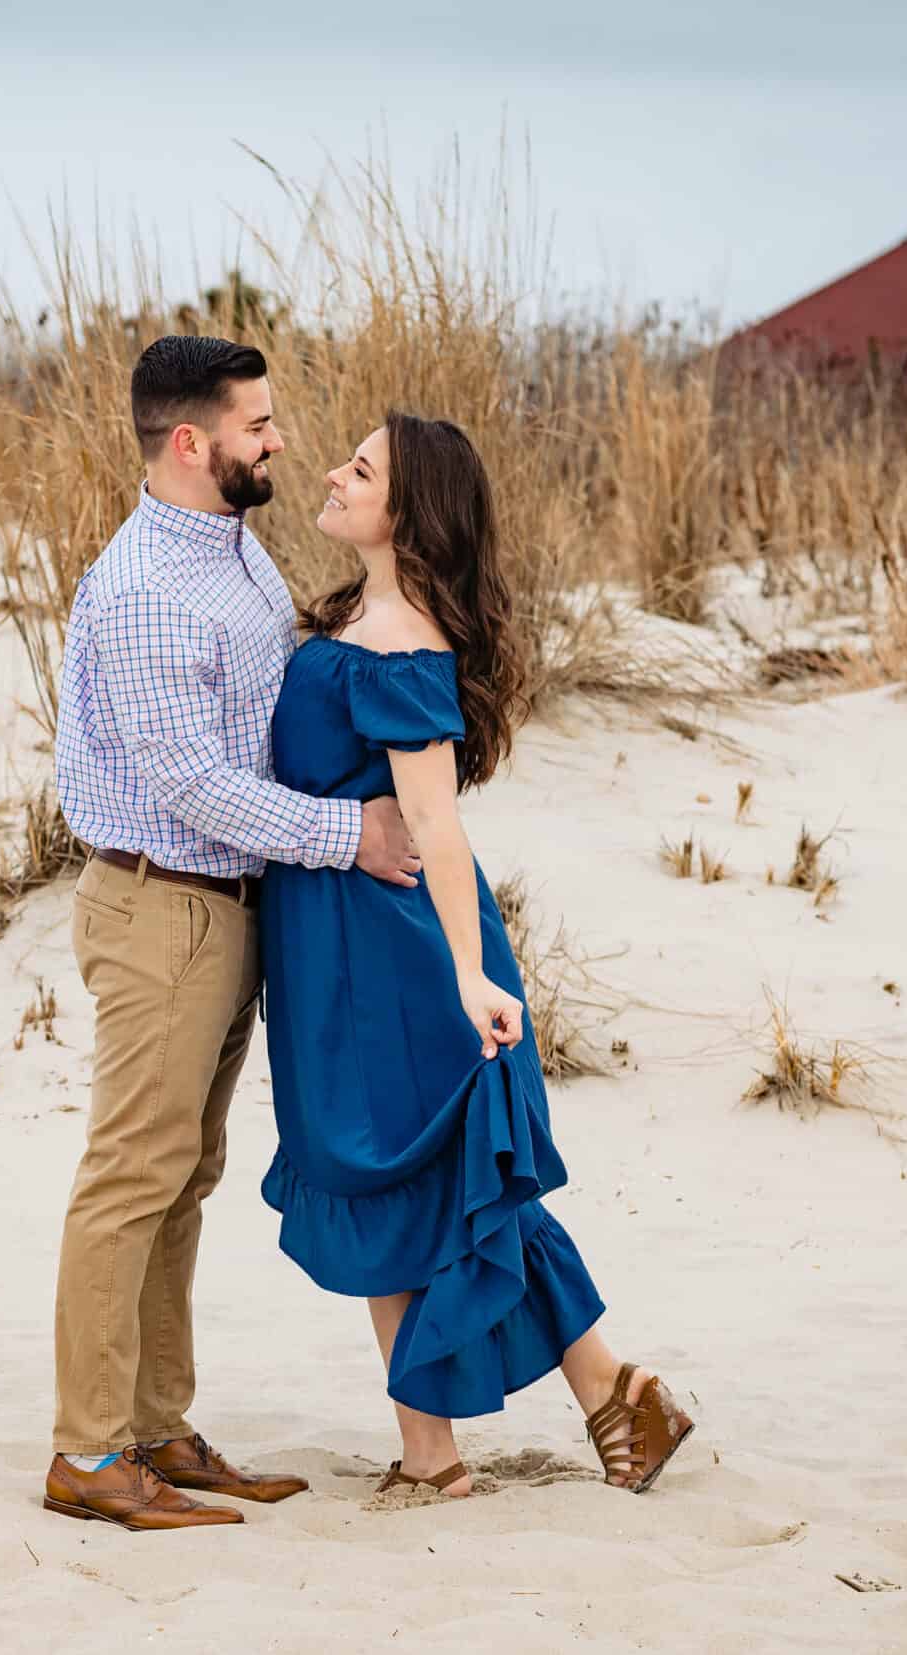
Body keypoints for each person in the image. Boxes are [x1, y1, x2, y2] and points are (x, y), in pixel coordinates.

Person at [258, 412, 697, 1500]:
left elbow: (437, 824)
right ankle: (572, 1406)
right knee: (392, 1186)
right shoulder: (355, 617)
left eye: (359, 470)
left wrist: (468, 971)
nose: (331, 472)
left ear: (408, 515)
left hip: (393, 963)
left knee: (420, 1183)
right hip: (332, 950)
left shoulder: (403, 645)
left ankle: (456, 1450)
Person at [43, 336, 423, 1532]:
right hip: (163, 906)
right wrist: (346, 835)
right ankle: (89, 1451)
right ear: (189, 443)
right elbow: (195, 785)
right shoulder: (149, 587)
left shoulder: (233, 551)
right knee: (129, 1179)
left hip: (226, 909)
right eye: (256, 424)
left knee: (182, 1176)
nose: (277, 440)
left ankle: (157, 1427)